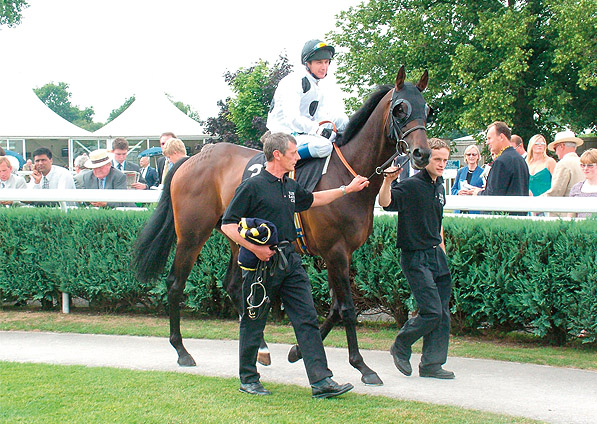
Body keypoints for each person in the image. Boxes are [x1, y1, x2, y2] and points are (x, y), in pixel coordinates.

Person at [221, 131, 368, 398]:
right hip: (259, 266)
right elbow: (228, 224)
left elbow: (314, 200)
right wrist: (254, 248)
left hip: (290, 262)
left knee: (307, 319)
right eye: (293, 153)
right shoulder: (252, 187)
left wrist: (347, 189)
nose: (297, 157)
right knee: (254, 321)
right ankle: (248, 379)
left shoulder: (289, 186)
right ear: (276, 155)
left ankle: (321, 382)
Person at [379, 138, 454, 379]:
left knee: (442, 313)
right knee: (432, 311)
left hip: (436, 255)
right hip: (415, 257)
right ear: (425, 160)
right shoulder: (411, 185)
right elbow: (386, 203)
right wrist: (388, 181)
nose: (442, 164)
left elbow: (438, 222)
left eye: (445, 159)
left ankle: (432, 364)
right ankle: (401, 345)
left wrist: (442, 249)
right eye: (437, 159)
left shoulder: (439, 186)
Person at [267, 39, 349, 159]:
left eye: (326, 62)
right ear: (307, 63)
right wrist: (319, 131)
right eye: (319, 63)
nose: (324, 67)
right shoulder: (293, 81)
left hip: (302, 132)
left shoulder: (316, 85)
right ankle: (279, 161)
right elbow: (293, 119)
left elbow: (317, 117)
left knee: (343, 120)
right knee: (324, 146)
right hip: (284, 135)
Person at [461, 122, 529, 215]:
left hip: (502, 221)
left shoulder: (501, 162)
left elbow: (492, 197)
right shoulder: (520, 160)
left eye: (489, 138)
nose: (487, 142)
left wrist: (478, 193)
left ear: (501, 137)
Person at [541, 130, 584, 198]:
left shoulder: (563, 164)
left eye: (555, 149)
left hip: (568, 207)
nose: (556, 153)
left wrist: (535, 201)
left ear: (562, 146)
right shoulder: (584, 163)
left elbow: (556, 192)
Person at [568, 148, 597, 218]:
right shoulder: (576, 188)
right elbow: (570, 216)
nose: (585, 168)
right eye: (583, 165)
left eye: (590, 165)